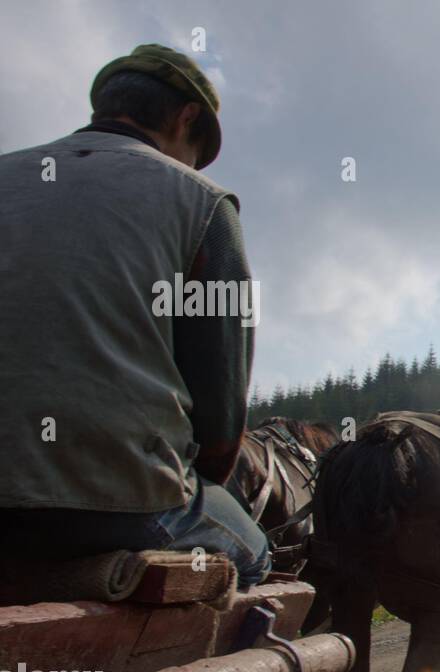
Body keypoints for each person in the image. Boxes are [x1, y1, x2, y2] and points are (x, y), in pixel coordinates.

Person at [0, 44, 271, 588]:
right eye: (196, 150)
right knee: (255, 552)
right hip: (114, 504)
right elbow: (220, 417)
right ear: (185, 117)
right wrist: (198, 475)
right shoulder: (205, 206)